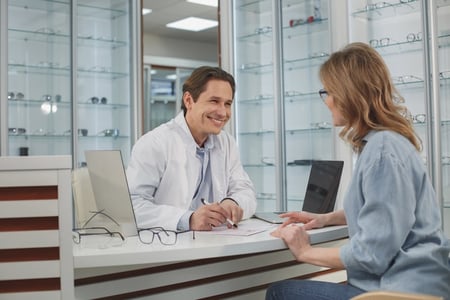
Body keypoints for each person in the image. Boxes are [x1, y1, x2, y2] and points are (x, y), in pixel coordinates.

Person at [266, 43, 450, 300]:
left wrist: (304, 251)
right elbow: (384, 211)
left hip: (399, 291)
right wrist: (325, 218)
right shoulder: (384, 143)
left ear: (348, 94)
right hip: (412, 285)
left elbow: (371, 256)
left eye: (328, 92)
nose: (327, 101)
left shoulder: (383, 149)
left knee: (280, 293)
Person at [126, 66, 257, 232]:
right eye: (214, 101)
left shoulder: (226, 143)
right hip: (168, 246)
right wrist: (187, 219)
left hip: (216, 241)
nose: (222, 112)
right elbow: (132, 206)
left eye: (228, 103)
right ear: (188, 100)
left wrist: (233, 202)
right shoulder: (155, 143)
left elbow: (245, 191)